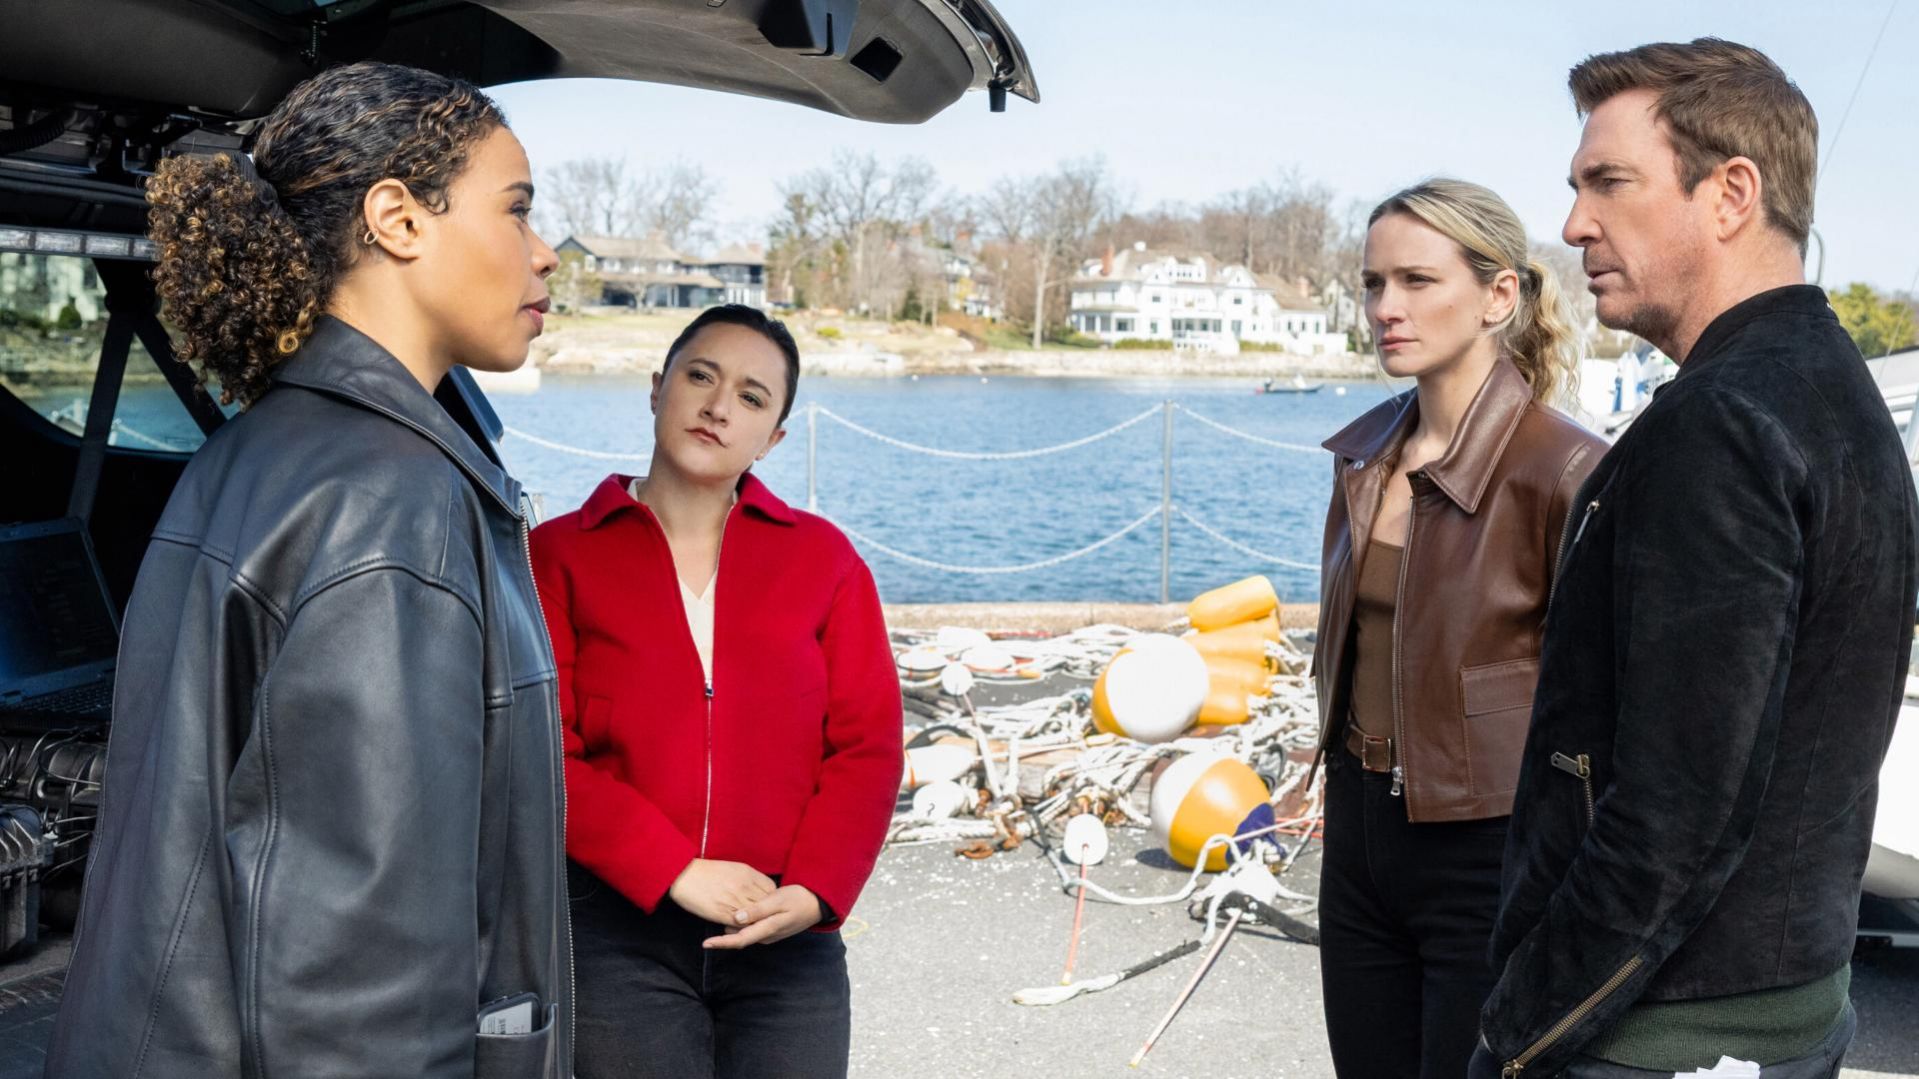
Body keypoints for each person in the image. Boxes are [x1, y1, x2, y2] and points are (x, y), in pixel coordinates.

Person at [44, 62, 571, 1078]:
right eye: (515, 209)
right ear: (398, 219)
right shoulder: (393, 501)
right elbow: (364, 987)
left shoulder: (256, 450)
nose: (543, 251)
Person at [1474, 39, 1919, 1079]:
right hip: (1788, 999)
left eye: (1608, 182)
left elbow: (1676, 807)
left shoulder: (1719, 421)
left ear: (1729, 194)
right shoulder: (1835, 391)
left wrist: (1520, 1027)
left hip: (1657, 1032)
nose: (1573, 223)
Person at [530, 304, 902, 1079]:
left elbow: (866, 747)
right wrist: (672, 866)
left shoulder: (825, 561)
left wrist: (815, 890)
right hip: (616, 930)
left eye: (751, 396)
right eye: (701, 375)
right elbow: (541, 750)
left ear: (773, 438)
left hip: (784, 934)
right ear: (657, 387)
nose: (719, 405)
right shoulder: (557, 554)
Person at [1311, 177, 1607, 1079]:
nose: (1385, 308)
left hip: (1487, 844)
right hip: (1356, 832)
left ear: (1497, 295)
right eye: (1373, 283)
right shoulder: (1361, 455)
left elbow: (1605, 700)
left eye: (1416, 280)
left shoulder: (1566, 469)